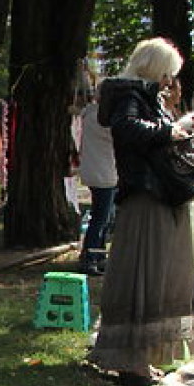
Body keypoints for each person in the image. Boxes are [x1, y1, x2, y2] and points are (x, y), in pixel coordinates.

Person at [86, 37, 194, 386]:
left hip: (161, 195)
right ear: (155, 68)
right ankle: (131, 361)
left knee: (161, 277)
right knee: (144, 277)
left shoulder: (147, 97)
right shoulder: (130, 95)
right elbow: (127, 128)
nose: (170, 81)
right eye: (167, 73)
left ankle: (145, 357)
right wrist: (170, 131)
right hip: (146, 196)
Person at [77, 87, 117, 275]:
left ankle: (97, 255)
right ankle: (90, 258)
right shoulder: (102, 118)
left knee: (104, 218)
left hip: (98, 172)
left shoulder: (90, 115)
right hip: (104, 174)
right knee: (100, 219)